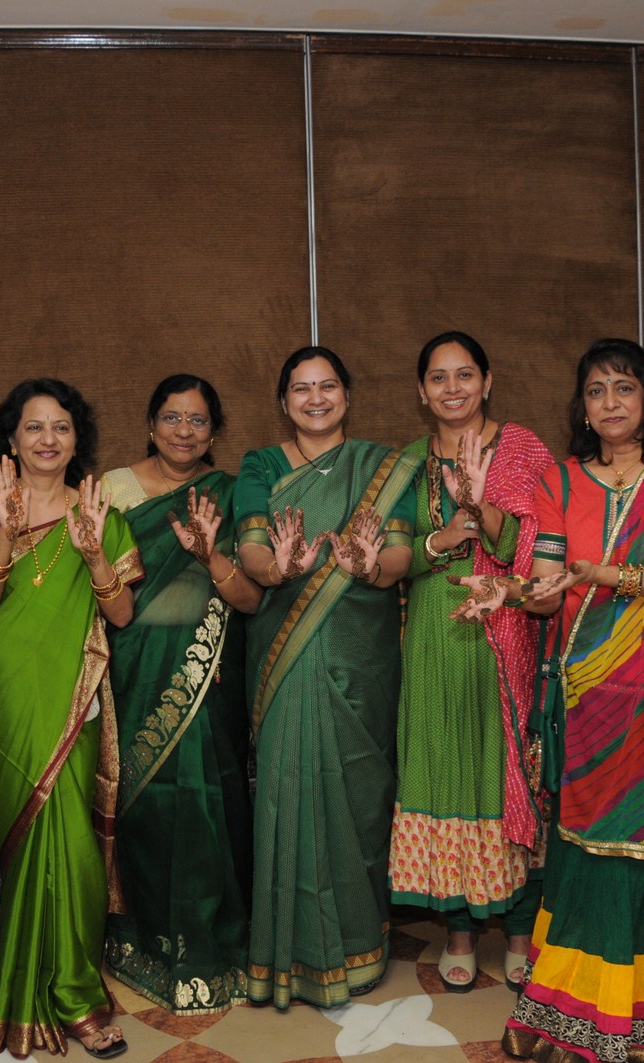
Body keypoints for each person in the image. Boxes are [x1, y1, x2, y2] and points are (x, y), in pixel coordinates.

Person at [456, 339, 644, 1062]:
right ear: (581, 405)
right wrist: (509, 591)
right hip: (587, 689)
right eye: (595, 391)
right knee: (583, 851)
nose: (609, 403)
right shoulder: (563, 482)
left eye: (624, 388)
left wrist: (609, 574)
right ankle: (561, 1003)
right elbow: (550, 587)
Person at [235, 345, 420, 1008]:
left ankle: (360, 946)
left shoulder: (386, 467)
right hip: (284, 651)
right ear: (284, 401)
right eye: (302, 389)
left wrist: (370, 565)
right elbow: (251, 548)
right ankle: (288, 954)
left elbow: (398, 553)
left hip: (362, 655)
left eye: (328, 386)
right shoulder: (259, 464)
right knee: (287, 788)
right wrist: (280, 568)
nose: (316, 398)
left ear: (347, 393)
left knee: (360, 792)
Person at [0, 378, 140, 1059]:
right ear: (12, 439)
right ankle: (43, 985)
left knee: (72, 846)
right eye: (33, 427)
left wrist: (94, 551)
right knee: (28, 839)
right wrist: (4, 532)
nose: (46, 439)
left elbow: (120, 613)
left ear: (77, 439)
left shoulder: (101, 512)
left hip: (72, 692)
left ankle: (76, 994)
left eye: (61, 427)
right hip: (1, 691)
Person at [388, 332, 553, 993]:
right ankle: (457, 928)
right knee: (442, 768)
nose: (451, 387)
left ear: (488, 381)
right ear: (421, 390)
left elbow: (541, 548)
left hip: (503, 626)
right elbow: (392, 554)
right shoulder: (405, 462)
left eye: (464, 375)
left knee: (501, 770)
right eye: (437, 376)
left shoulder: (524, 449)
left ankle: (517, 928)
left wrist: (482, 507)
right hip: (431, 631)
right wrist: (441, 536)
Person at [99, 374, 261, 1014]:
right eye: (172, 417)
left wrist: (209, 557)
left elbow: (249, 598)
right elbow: (101, 589)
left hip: (209, 672)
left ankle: (215, 939)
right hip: (131, 663)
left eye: (197, 421)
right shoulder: (112, 489)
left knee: (210, 799)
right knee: (143, 803)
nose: (184, 431)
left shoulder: (227, 495)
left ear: (215, 433)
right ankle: (142, 937)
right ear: (149, 423)